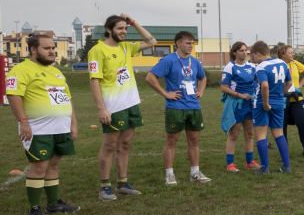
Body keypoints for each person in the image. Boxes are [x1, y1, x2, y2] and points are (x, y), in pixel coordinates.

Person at [7, 35, 80, 215]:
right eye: (47, 48)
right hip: (38, 128)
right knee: (39, 167)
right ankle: (34, 209)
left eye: (53, 48)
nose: (52, 51)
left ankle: (53, 203)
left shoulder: (57, 72)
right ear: (33, 50)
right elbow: (13, 96)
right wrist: (23, 122)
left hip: (61, 128)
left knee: (54, 165)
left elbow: (67, 98)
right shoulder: (20, 70)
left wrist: (73, 123)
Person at [88, 14, 157, 199]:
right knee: (109, 145)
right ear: (109, 29)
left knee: (125, 144)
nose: (124, 32)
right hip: (112, 105)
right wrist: (101, 108)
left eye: (125, 29)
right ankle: (104, 187)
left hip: (131, 104)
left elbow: (152, 42)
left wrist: (133, 22)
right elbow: (94, 81)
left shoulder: (126, 47)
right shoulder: (97, 50)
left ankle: (122, 184)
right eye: (120, 28)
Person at [145, 31, 211, 185]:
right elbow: (150, 78)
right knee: (171, 141)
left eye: (192, 43)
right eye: (188, 43)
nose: (191, 46)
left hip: (194, 106)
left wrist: (200, 91)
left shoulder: (194, 62)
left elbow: (203, 77)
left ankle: (195, 173)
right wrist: (166, 94)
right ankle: (169, 175)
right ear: (178, 44)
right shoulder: (169, 60)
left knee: (194, 141)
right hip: (175, 107)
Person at [249, 42, 294, 174]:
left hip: (263, 104)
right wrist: (280, 94)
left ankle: (264, 168)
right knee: (279, 134)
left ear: (258, 54)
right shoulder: (282, 64)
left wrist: (265, 103)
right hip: (279, 103)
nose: (252, 59)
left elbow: (264, 86)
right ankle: (286, 166)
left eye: (252, 56)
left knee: (261, 135)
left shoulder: (261, 67)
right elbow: (289, 83)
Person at [220, 41, 261, 172]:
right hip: (237, 105)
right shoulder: (229, 67)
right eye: (241, 50)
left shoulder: (251, 66)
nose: (244, 53)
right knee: (234, 135)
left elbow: (257, 82)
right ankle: (229, 164)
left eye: (245, 50)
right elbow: (224, 88)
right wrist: (240, 95)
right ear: (234, 52)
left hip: (250, 104)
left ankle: (249, 162)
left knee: (249, 134)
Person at [278, 44, 304, 158]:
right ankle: (284, 151)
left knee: (302, 123)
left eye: (293, 52)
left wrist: (300, 85)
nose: (293, 54)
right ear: (283, 54)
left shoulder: (295, 63)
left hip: (296, 98)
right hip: (282, 100)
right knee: (282, 126)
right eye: (290, 52)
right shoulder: (277, 65)